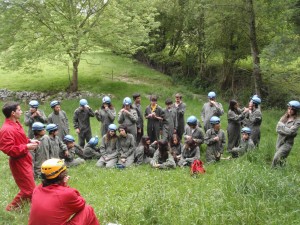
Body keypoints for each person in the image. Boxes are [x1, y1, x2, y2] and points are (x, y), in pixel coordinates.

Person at [28, 158, 100, 225]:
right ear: (62, 175)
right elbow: (81, 204)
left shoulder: (36, 190)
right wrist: (64, 185)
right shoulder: (66, 193)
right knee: (88, 209)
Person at [0, 102, 39, 211]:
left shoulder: (16, 123)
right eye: (19, 110)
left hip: (25, 158)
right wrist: (26, 146)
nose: (21, 112)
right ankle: (10, 209)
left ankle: (31, 208)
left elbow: (20, 139)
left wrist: (30, 141)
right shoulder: (6, 130)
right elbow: (9, 150)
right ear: (13, 113)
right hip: (18, 162)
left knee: (30, 188)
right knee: (28, 190)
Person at [272, 100, 300, 167]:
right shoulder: (284, 117)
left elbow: (291, 132)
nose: (289, 111)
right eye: (289, 108)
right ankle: (281, 173)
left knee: (276, 158)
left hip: (287, 143)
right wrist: (288, 130)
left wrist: (282, 127)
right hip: (279, 141)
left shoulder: (297, 121)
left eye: (292, 109)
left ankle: (271, 171)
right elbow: (277, 129)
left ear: (295, 111)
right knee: (281, 160)